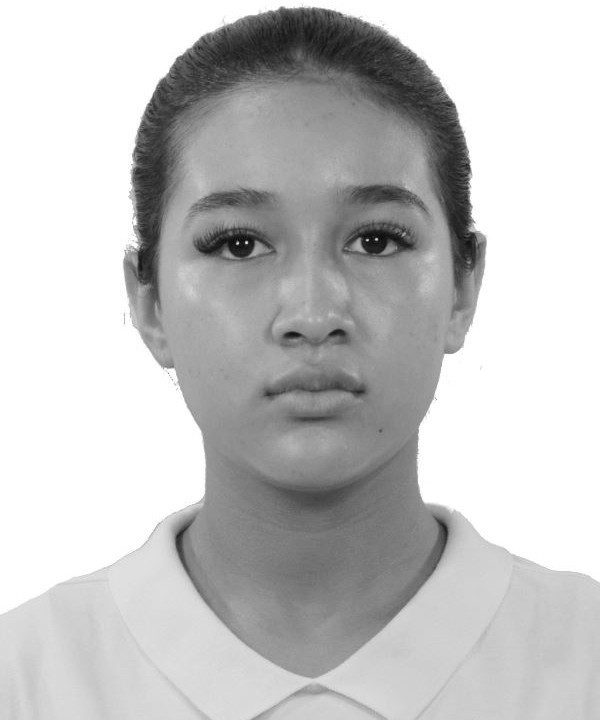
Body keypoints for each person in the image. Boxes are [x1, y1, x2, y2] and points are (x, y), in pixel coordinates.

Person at [1, 6, 598, 718]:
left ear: (463, 287)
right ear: (149, 302)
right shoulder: (25, 680)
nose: (313, 315)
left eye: (376, 240)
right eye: (238, 245)